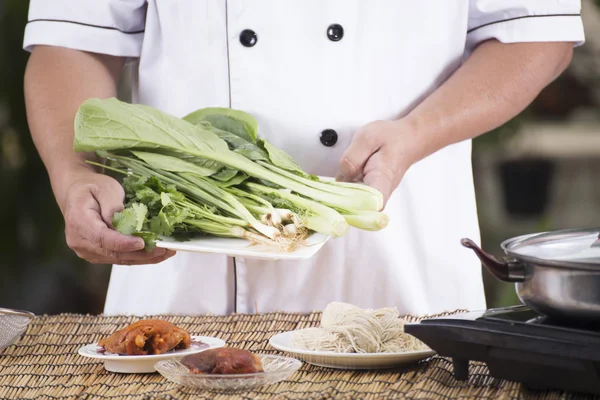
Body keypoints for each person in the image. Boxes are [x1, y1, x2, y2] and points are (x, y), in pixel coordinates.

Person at [23, 1, 584, 316]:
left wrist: (419, 132)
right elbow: (70, 41)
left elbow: (537, 34)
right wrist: (76, 175)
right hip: (187, 274)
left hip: (394, 259)